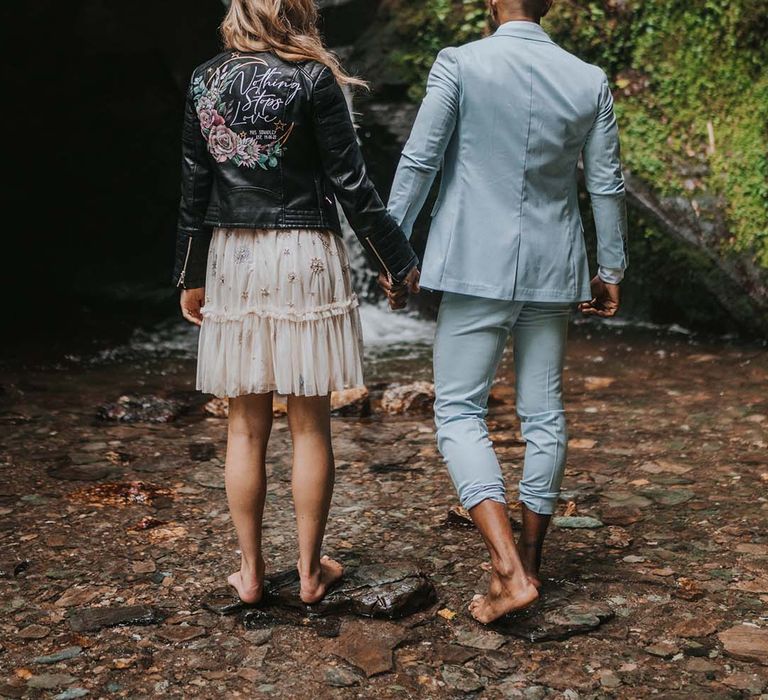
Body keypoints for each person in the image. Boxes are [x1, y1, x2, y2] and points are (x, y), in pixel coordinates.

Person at [381, 0, 628, 623]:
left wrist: (392, 252)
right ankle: (533, 562)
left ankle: (508, 570)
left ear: (493, 2)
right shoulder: (587, 77)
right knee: (543, 413)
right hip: (554, 267)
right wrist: (610, 269)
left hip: (473, 264)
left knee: (459, 411)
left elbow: (420, 161)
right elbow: (605, 184)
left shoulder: (460, 63)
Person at [173, 0, 419, 606]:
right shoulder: (313, 77)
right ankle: (310, 574)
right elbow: (351, 184)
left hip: (233, 254)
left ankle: (251, 576)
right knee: (310, 425)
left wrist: (189, 272)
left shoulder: (206, 79)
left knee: (245, 427)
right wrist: (396, 259)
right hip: (304, 250)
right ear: (298, 13)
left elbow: (194, 185)